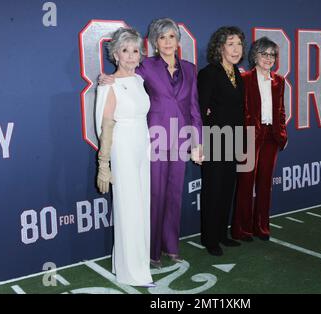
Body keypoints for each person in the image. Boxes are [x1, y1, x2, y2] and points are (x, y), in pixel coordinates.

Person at [99, 18, 203, 268]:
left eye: (172, 37)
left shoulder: (189, 68)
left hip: (180, 140)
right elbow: (125, 77)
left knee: (175, 195)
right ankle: (152, 250)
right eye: (162, 37)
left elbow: (194, 107)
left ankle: (171, 245)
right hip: (152, 140)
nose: (168, 42)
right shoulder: (146, 66)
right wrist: (106, 80)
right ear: (155, 42)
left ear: (178, 41)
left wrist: (198, 143)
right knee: (154, 195)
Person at [95, 27, 154, 287]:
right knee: (128, 208)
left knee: (141, 207)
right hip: (122, 146)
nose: (131, 56)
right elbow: (106, 124)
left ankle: (138, 264)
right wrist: (103, 164)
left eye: (135, 51)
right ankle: (131, 272)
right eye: (125, 51)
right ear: (115, 54)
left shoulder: (139, 81)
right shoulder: (110, 84)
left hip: (142, 145)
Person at [231, 37, 288, 242]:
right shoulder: (244, 79)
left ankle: (262, 226)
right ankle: (242, 229)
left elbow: (281, 111)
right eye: (264, 54)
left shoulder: (279, 81)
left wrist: (283, 133)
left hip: (271, 137)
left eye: (272, 55)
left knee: (265, 184)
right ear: (255, 56)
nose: (268, 58)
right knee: (246, 183)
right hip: (249, 136)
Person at [197, 26, 246, 256]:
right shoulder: (209, 73)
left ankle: (222, 234)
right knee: (213, 190)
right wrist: (203, 143)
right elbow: (199, 110)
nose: (236, 49)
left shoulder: (238, 74)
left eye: (238, 44)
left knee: (228, 188)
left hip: (235, 139)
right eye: (230, 44)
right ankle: (209, 238)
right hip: (215, 139)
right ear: (220, 48)